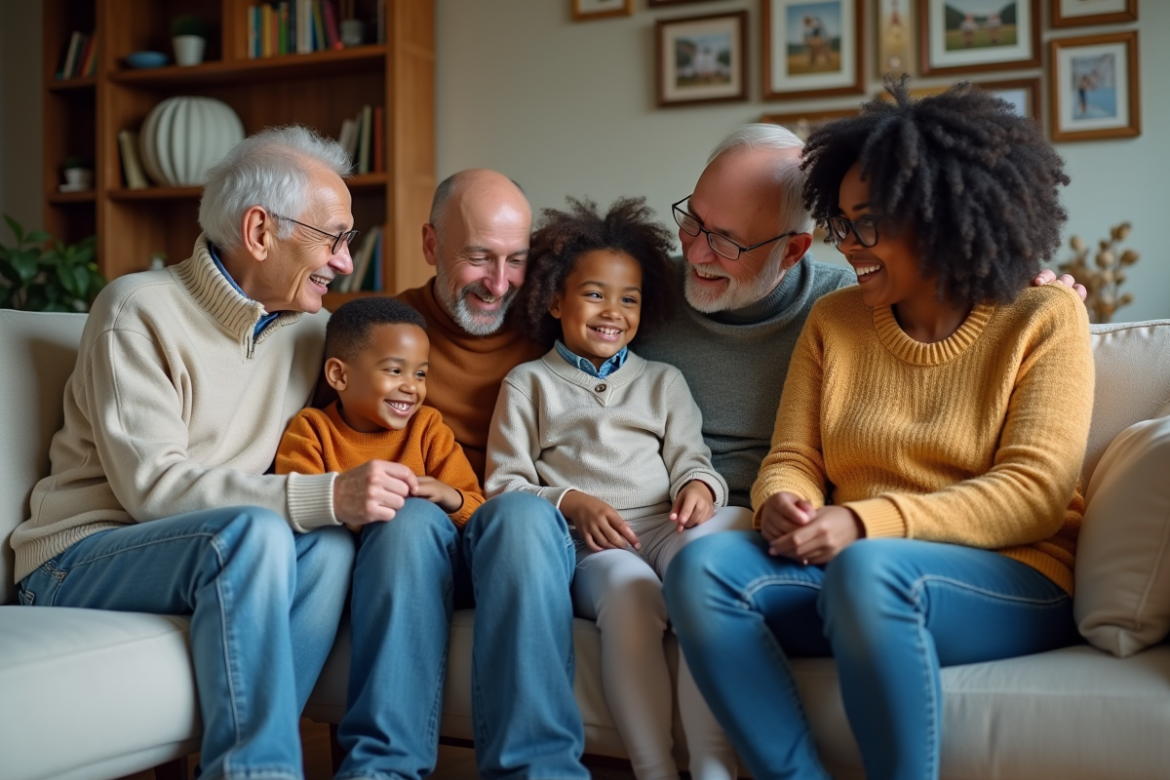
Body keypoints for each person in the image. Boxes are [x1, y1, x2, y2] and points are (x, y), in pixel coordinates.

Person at [664, 80, 1095, 780]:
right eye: (841, 221)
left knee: (868, 572)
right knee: (701, 569)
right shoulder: (835, 321)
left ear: (941, 219)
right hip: (852, 571)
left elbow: (1035, 493)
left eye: (868, 225)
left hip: (1014, 578)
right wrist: (782, 498)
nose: (848, 244)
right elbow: (794, 453)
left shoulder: (1043, 317)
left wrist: (864, 523)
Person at [8, 126, 414, 779]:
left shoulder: (311, 334)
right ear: (260, 231)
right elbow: (153, 488)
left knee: (329, 548)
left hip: (213, 549)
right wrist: (326, 494)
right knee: (257, 531)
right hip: (78, 558)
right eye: (334, 237)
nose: (344, 260)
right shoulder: (137, 309)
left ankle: (250, 759)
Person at [486, 197, 751, 780]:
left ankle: (712, 765)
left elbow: (693, 460)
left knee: (708, 580)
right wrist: (570, 502)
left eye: (628, 298)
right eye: (594, 294)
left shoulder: (663, 381)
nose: (613, 311)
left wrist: (700, 489)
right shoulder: (528, 384)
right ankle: (653, 767)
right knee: (634, 597)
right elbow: (503, 486)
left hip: (667, 526)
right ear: (554, 300)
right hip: (591, 547)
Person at [382, 169, 590, 780]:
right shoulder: (383, 331)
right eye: (478, 258)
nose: (499, 284)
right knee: (407, 521)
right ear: (430, 245)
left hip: (518, 534)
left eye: (516, 260)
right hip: (421, 534)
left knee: (521, 516)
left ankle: (538, 773)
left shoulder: (552, 327)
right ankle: (384, 768)